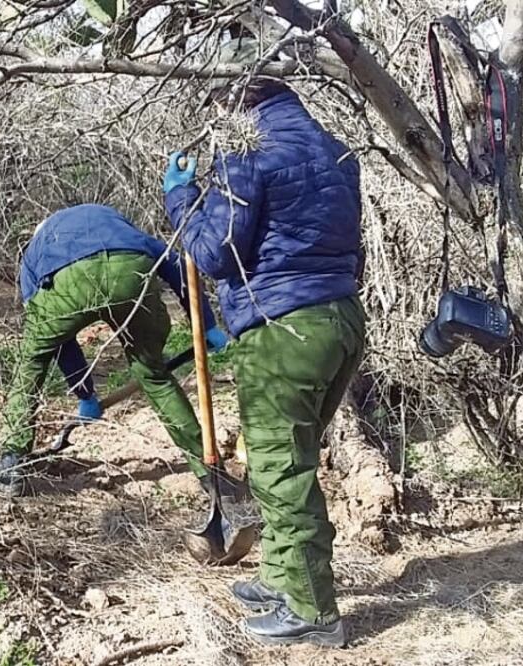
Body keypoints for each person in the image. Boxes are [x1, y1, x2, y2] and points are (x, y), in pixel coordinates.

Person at [161, 50, 366, 647]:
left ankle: (311, 611)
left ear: (236, 100)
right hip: (340, 319)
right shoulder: (335, 147)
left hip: (283, 332)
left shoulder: (246, 150)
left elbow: (215, 254)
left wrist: (181, 197)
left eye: (217, 105)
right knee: (289, 459)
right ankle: (282, 577)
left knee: (281, 471)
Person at [0, 204, 228, 497]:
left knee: (32, 363)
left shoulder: (34, 257)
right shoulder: (117, 226)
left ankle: (11, 463)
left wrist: (84, 393)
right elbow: (176, 265)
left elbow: (58, 343)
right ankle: (212, 475)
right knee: (154, 376)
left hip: (64, 288)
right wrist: (205, 323)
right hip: (129, 271)